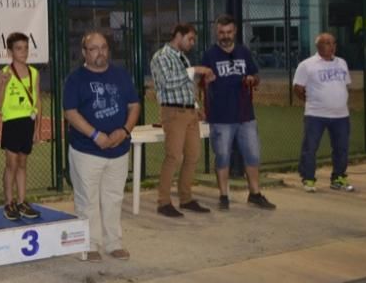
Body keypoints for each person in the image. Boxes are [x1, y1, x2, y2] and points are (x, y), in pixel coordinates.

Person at [63, 32, 140, 261]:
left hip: (118, 149)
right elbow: (71, 112)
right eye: (94, 48)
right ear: (85, 53)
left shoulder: (121, 75)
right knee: (87, 200)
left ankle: (113, 243)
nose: (100, 52)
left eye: (104, 47)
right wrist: (95, 135)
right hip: (86, 150)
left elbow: (134, 105)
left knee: (113, 197)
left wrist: (125, 130)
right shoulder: (76, 79)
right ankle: (88, 244)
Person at [200, 15, 277, 210]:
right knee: (223, 156)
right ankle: (224, 196)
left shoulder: (244, 52)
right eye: (221, 32)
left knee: (252, 155)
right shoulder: (209, 55)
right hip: (220, 116)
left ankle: (255, 193)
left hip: (245, 115)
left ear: (235, 32)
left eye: (229, 32)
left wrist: (252, 79)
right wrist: (204, 84)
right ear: (216, 33)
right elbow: (200, 83)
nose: (225, 36)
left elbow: (256, 75)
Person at [150, 23, 216, 218]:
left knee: (192, 156)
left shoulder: (182, 58)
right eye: (190, 39)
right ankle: (163, 202)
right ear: (178, 35)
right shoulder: (161, 56)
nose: (192, 43)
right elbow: (167, 82)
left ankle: (186, 198)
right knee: (173, 157)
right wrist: (195, 69)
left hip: (189, 113)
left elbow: (186, 86)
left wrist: (196, 107)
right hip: (173, 112)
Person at [294, 32, 355, 193]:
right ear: (318, 46)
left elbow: (345, 85)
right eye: (327, 43)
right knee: (310, 148)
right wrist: (315, 102)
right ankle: (308, 178)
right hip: (316, 115)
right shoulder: (307, 65)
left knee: (341, 148)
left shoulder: (342, 63)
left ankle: (338, 178)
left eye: (333, 43)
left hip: (341, 115)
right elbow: (298, 88)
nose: (331, 46)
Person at [0, 32, 42, 221]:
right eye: (19, 48)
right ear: (10, 51)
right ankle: (8, 203)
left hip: (28, 122)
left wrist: (37, 129)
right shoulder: (4, 73)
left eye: (26, 48)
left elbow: (38, 102)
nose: (23, 52)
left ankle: (22, 202)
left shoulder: (34, 73)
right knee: (11, 164)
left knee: (23, 163)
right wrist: (2, 85)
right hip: (11, 123)